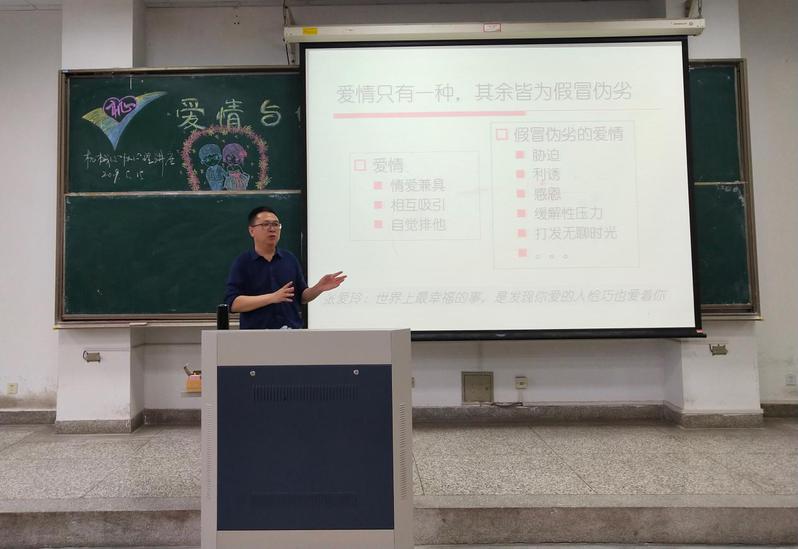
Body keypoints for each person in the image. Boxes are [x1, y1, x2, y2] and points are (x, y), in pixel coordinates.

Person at [224, 206, 346, 329]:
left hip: (291, 332)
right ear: (252, 231)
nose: (272, 229)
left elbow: (301, 297)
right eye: (265, 224)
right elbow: (233, 304)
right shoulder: (242, 262)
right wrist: (272, 297)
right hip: (256, 335)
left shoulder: (289, 259)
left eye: (276, 224)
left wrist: (318, 288)